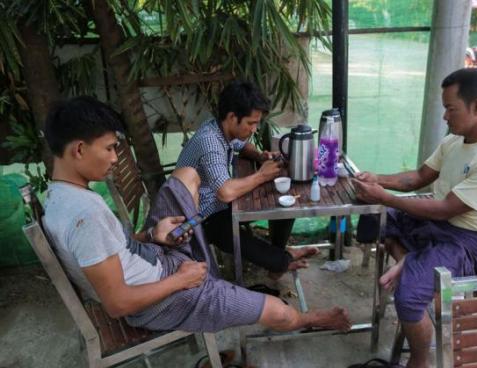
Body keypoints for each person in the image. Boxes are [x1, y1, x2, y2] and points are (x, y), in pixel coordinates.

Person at [42, 96, 351, 338]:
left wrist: (152, 234)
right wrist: (180, 280)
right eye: (109, 149)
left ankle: (230, 269)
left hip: (151, 255)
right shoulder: (85, 216)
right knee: (278, 311)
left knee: (188, 176)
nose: (114, 158)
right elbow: (118, 303)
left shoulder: (59, 196)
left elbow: (110, 249)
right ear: (79, 149)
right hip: (155, 298)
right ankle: (310, 318)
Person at [353, 68, 477, 368]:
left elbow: (446, 208)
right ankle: (409, 261)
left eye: (450, 109)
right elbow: (417, 178)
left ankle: (419, 361)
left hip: (466, 242)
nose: (445, 117)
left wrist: (386, 196)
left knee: (408, 297)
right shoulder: (456, 141)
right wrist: (377, 179)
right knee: (372, 219)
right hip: (439, 224)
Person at [176, 81, 317, 279]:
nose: (254, 129)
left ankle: (279, 256)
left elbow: (241, 145)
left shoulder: (220, 128)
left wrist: (260, 156)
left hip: (212, 202)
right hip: (197, 216)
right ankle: (281, 261)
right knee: (227, 231)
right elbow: (225, 192)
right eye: (251, 123)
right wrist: (261, 175)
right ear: (233, 117)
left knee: (282, 198)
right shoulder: (210, 141)